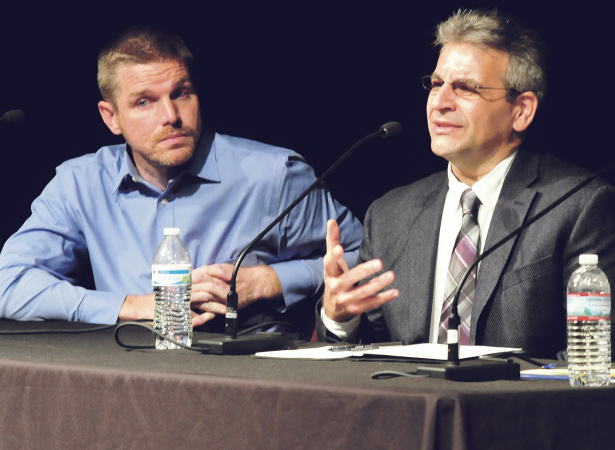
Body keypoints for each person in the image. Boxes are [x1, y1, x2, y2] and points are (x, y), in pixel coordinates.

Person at [316, 9, 615, 361]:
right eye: (436, 84)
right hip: (410, 412)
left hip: (518, 413)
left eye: (465, 88)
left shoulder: (580, 207)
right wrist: (341, 318)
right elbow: (369, 359)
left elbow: (600, 359)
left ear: (521, 111)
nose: (440, 103)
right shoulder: (389, 216)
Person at [0, 28, 362, 336]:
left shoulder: (274, 175)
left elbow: (370, 259)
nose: (171, 116)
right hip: (126, 379)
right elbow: (9, 282)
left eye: (181, 93)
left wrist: (272, 281)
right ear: (111, 117)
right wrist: (130, 306)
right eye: (144, 102)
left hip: (253, 382)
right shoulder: (81, 184)